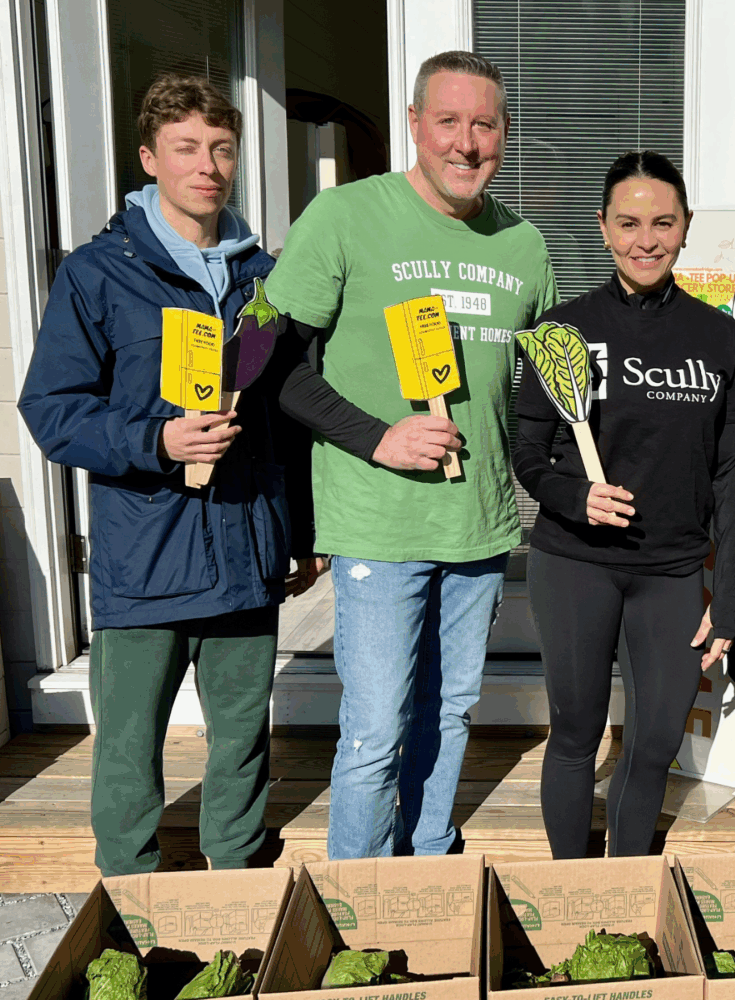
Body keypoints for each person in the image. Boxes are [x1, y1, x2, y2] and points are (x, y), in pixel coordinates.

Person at [17, 73, 323, 876]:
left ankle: (237, 874)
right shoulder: (99, 274)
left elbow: (287, 421)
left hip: (247, 549)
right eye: (187, 148)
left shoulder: (265, 279)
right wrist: (159, 441)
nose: (208, 166)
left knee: (242, 740)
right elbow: (51, 409)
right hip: (147, 556)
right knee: (128, 746)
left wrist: (300, 531)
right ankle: (131, 891)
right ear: (151, 158)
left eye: (222, 149)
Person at [266, 51, 557, 858]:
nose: (467, 143)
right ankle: (354, 901)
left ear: (504, 134)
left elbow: (542, 388)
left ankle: (430, 868)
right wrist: (380, 437)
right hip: (378, 524)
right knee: (374, 730)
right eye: (449, 122)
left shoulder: (524, 244)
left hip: (480, 523)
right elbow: (279, 369)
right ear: (415, 127)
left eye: (485, 125)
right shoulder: (345, 216)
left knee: (453, 713)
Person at [514, 151, 735, 858]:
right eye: (628, 223)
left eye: (662, 222)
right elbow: (527, 450)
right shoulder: (564, 330)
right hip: (574, 565)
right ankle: (570, 889)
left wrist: (733, 597)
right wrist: (575, 495)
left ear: (685, 229)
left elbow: (732, 479)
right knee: (575, 734)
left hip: (674, 573)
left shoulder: (717, 338)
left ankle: (624, 891)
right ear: (602, 228)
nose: (645, 239)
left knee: (653, 742)